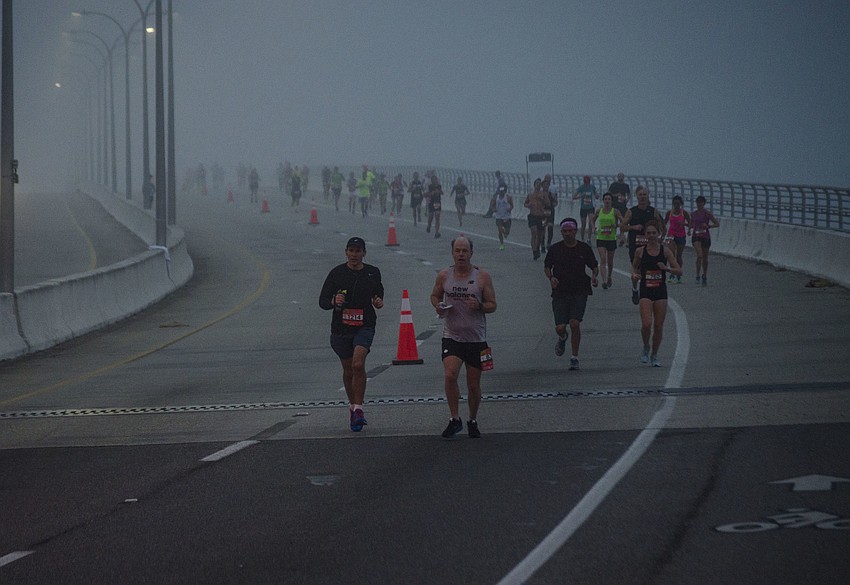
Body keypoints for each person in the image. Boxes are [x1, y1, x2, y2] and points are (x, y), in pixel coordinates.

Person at [430, 236, 497, 438]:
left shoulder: (482, 277)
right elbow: (434, 295)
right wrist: (438, 305)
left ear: (471, 253)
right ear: (452, 253)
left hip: (476, 339)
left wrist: (480, 306)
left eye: (464, 251)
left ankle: (472, 419)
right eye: (457, 251)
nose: (461, 254)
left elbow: (493, 305)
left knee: (473, 384)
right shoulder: (444, 275)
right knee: (450, 375)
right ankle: (454, 418)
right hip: (452, 336)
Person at [319, 237, 385, 432]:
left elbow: (378, 293)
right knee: (348, 371)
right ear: (346, 252)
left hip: (364, 326)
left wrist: (378, 301)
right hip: (340, 329)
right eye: (351, 250)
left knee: (358, 364)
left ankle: (358, 408)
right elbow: (322, 301)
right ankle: (352, 406)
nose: (354, 255)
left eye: (358, 251)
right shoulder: (337, 273)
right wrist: (333, 300)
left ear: (364, 253)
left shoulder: (373, 273)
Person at [544, 218, 599, 370]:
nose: (568, 234)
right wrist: (551, 278)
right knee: (560, 327)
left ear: (575, 231)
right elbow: (547, 266)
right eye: (565, 231)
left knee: (575, 323)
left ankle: (574, 357)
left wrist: (594, 276)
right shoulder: (555, 249)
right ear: (561, 232)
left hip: (580, 291)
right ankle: (562, 337)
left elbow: (594, 266)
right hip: (560, 292)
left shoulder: (584, 249)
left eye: (571, 231)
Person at [630, 220, 682, 367]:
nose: (652, 235)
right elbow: (634, 268)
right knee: (646, 324)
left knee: (658, 326)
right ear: (645, 235)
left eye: (654, 233)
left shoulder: (665, 251)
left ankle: (655, 354)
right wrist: (634, 277)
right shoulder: (640, 251)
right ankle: (646, 346)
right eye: (649, 233)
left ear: (659, 234)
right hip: (646, 290)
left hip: (660, 291)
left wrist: (666, 269)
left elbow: (679, 271)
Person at [620, 185, 664, 304]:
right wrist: (633, 227)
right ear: (637, 196)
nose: (643, 197)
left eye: (645, 195)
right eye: (640, 195)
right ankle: (635, 288)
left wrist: (660, 237)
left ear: (648, 196)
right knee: (637, 270)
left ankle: (648, 292)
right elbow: (622, 227)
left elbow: (661, 225)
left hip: (650, 245)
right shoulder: (631, 212)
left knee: (649, 269)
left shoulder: (653, 211)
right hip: (635, 245)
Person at [590, 193, 623, 289]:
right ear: (603, 201)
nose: (607, 201)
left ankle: (609, 276)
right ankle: (604, 281)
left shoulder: (615, 211)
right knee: (603, 259)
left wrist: (616, 226)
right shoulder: (599, 211)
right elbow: (592, 220)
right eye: (605, 199)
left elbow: (624, 221)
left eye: (609, 199)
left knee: (610, 261)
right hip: (601, 238)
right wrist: (593, 227)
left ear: (611, 201)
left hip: (611, 239)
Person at [690, 195, 720, 286]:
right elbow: (691, 224)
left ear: (704, 203)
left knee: (705, 258)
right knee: (700, 255)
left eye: (701, 202)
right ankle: (697, 275)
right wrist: (688, 230)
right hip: (696, 236)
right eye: (698, 202)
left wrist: (709, 226)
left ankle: (704, 275)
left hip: (705, 236)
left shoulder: (707, 213)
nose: (699, 204)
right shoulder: (693, 214)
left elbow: (717, 224)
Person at [663, 195, 690, 284]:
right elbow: (664, 223)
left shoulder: (684, 213)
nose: (676, 205)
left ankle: (679, 274)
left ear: (681, 204)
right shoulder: (669, 213)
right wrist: (662, 234)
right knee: (672, 255)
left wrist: (684, 225)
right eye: (675, 204)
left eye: (678, 204)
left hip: (681, 236)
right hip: (671, 235)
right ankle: (672, 274)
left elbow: (690, 224)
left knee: (679, 256)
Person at [524, 178, 548, 260]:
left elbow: (548, 204)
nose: (538, 185)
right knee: (534, 233)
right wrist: (528, 205)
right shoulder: (530, 195)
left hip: (541, 216)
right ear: (534, 185)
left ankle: (537, 247)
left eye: (539, 184)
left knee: (541, 235)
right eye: (536, 183)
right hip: (532, 216)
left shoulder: (544, 194)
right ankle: (534, 251)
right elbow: (525, 203)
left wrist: (542, 199)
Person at [572, 175, 598, 243]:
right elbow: (573, 197)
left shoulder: (592, 187)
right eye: (585, 182)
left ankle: (589, 239)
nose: (587, 184)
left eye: (588, 182)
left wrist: (597, 195)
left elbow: (596, 195)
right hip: (583, 208)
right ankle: (582, 239)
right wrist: (581, 196)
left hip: (590, 207)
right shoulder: (581, 187)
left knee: (590, 222)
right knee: (583, 224)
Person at [608, 173, 632, 245]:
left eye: (622, 176)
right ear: (617, 177)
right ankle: (613, 237)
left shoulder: (626, 185)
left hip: (622, 206)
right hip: (615, 205)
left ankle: (621, 237)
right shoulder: (614, 184)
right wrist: (615, 195)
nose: (620, 177)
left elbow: (629, 193)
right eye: (619, 176)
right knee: (614, 221)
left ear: (623, 177)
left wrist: (627, 199)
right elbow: (609, 193)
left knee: (623, 222)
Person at [493, 184, 513, 250]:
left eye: (503, 191)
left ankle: (505, 233)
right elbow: (492, 205)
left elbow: (512, 205)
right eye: (500, 191)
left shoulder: (508, 197)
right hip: (499, 216)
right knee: (500, 230)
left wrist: (510, 209)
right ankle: (501, 244)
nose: (501, 192)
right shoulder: (496, 197)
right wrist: (494, 209)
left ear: (505, 191)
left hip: (507, 216)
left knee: (507, 231)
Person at [542, 175, 558, 251]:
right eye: (544, 185)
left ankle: (548, 243)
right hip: (542, 213)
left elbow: (556, 202)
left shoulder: (552, 194)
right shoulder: (540, 194)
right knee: (542, 228)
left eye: (547, 185)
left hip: (550, 212)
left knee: (550, 227)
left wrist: (554, 203)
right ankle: (542, 243)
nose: (546, 186)